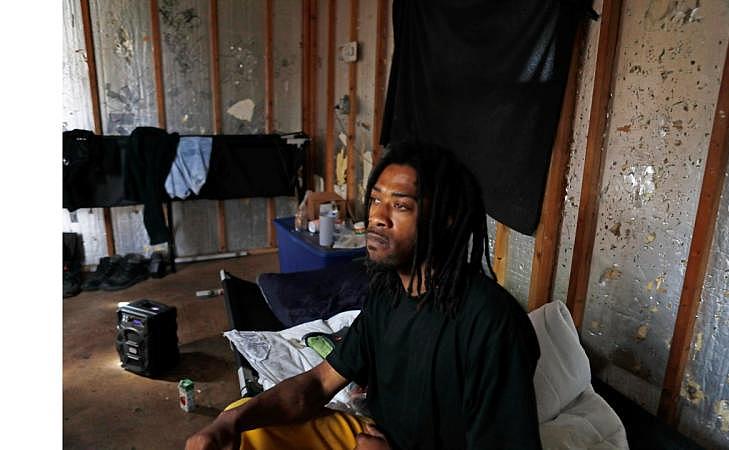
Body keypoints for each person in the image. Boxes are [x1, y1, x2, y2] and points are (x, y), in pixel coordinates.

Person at [186, 141, 542, 450]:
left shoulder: (492, 324)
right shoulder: (388, 295)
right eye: (375, 200)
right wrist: (225, 423)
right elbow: (318, 383)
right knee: (241, 424)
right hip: (370, 437)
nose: (377, 218)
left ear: (446, 219)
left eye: (400, 206)